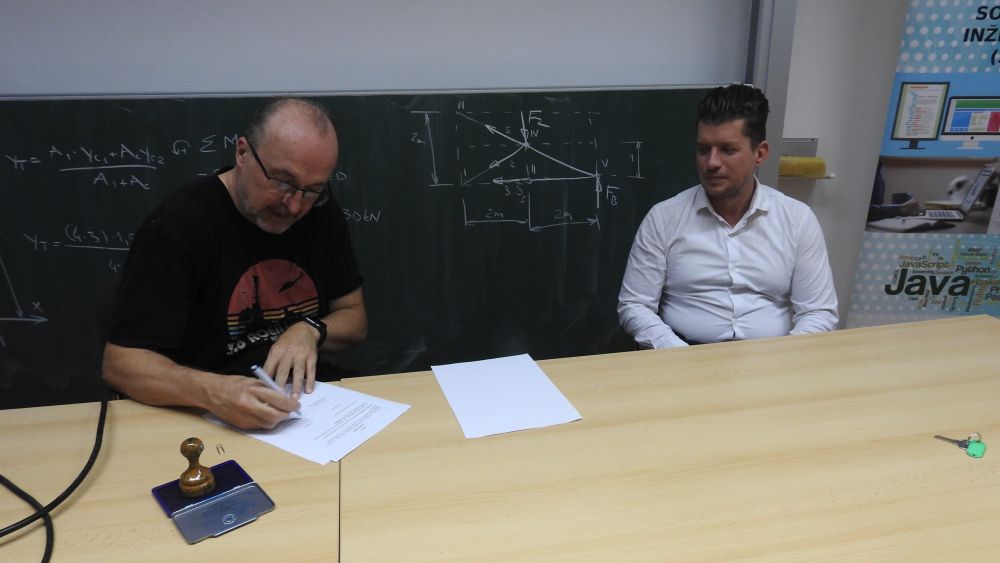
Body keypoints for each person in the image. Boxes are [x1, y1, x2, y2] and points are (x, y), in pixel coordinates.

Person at [103, 98, 367, 429]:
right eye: (282, 182)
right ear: (242, 153)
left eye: (313, 189)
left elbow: (354, 318)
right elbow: (120, 363)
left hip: (306, 404)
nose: (294, 205)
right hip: (204, 411)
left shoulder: (319, 212)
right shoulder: (180, 225)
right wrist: (215, 392)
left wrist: (309, 329)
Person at [617, 84, 837, 349]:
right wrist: (677, 354)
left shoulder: (797, 219)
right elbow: (635, 305)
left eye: (727, 150)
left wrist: (782, 358)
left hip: (771, 355)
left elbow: (818, 312)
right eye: (703, 149)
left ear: (760, 153)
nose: (711, 162)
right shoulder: (663, 218)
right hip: (682, 354)